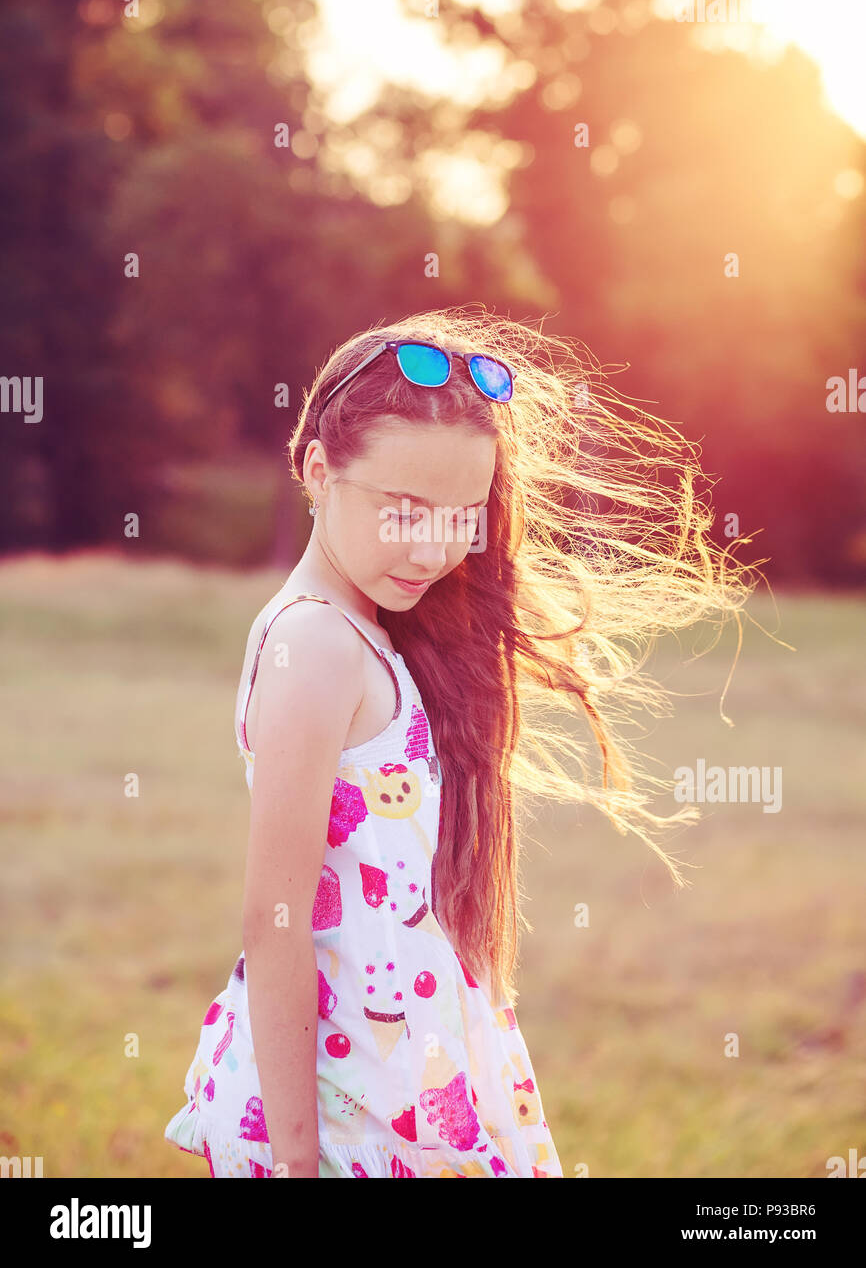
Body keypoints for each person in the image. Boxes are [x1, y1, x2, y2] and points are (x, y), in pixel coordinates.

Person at [164, 306, 757, 1177]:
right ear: (319, 470)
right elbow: (275, 920)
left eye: (462, 514)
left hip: (410, 1063)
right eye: (404, 510)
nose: (437, 545)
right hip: (348, 1098)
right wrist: (297, 1165)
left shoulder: (366, 632)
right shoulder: (315, 643)